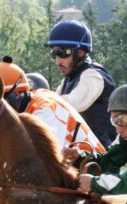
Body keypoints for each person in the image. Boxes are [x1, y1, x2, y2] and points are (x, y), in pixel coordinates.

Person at [0, 56, 105, 153]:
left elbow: (41, 153)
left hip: (93, 169)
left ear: (17, 94)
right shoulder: (27, 108)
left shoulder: (44, 106)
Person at [46, 20, 117, 148]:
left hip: (102, 153)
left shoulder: (93, 76)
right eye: (53, 54)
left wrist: (42, 101)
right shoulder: (68, 80)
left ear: (80, 52)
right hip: (79, 151)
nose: (57, 61)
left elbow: (70, 105)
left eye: (62, 53)